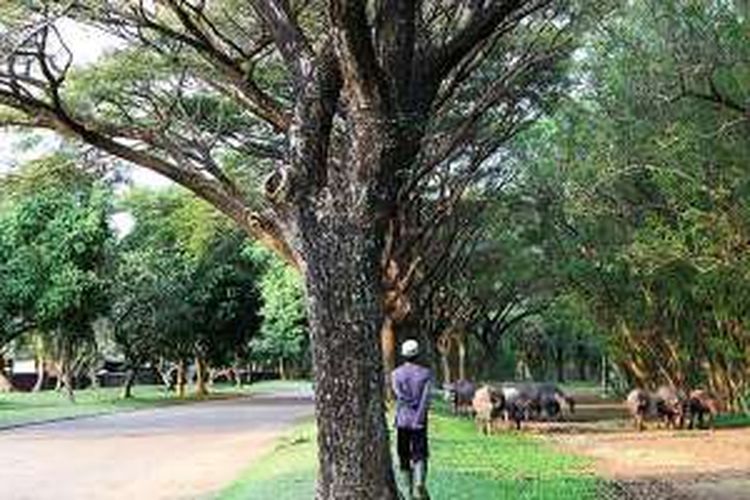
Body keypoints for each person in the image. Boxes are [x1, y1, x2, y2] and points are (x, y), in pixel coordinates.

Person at [391, 339, 433, 500]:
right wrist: (419, 419)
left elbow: (399, 396)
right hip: (419, 422)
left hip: (402, 421)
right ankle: (419, 484)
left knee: (403, 455)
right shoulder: (426, 373)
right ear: (418, 354)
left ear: (403, 355)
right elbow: (425, 400)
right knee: (420, 454)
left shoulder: (395, 374)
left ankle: (408, 493)